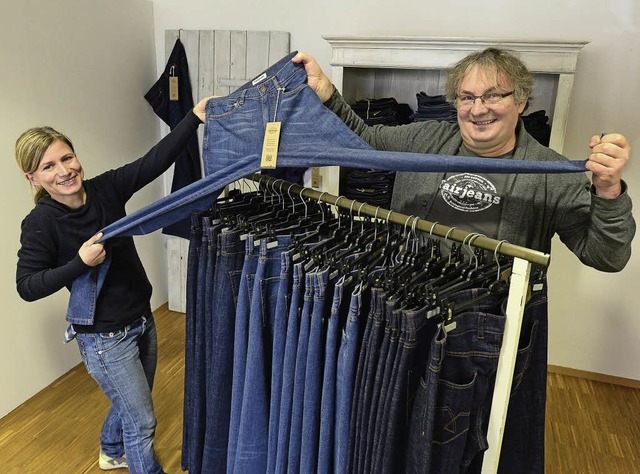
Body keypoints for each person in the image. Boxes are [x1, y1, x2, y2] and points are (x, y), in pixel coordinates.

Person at [291, 48, 635, 472]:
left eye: (493, 96)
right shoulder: (426, 140)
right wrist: (327, 95)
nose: (478, 109)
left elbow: (606, 256)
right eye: (467, 97)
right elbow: (366, 139)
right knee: (394, 431)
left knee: (479, 446)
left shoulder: (551, 172)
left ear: (521, 100)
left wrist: (608, 192)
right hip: (408, 317)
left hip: (487, 338)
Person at [15, 96, 211, 473]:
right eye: (48, 166)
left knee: (131, 403)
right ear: (33, 178)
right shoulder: (41, 223)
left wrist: (193, 118)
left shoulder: (105, 189)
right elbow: (27, 286)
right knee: (142, 422)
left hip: (141, 318)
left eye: (67, 158)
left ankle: (110, 450)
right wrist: (78, 263)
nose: (64, 171)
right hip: (104, 339)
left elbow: (153, 162)